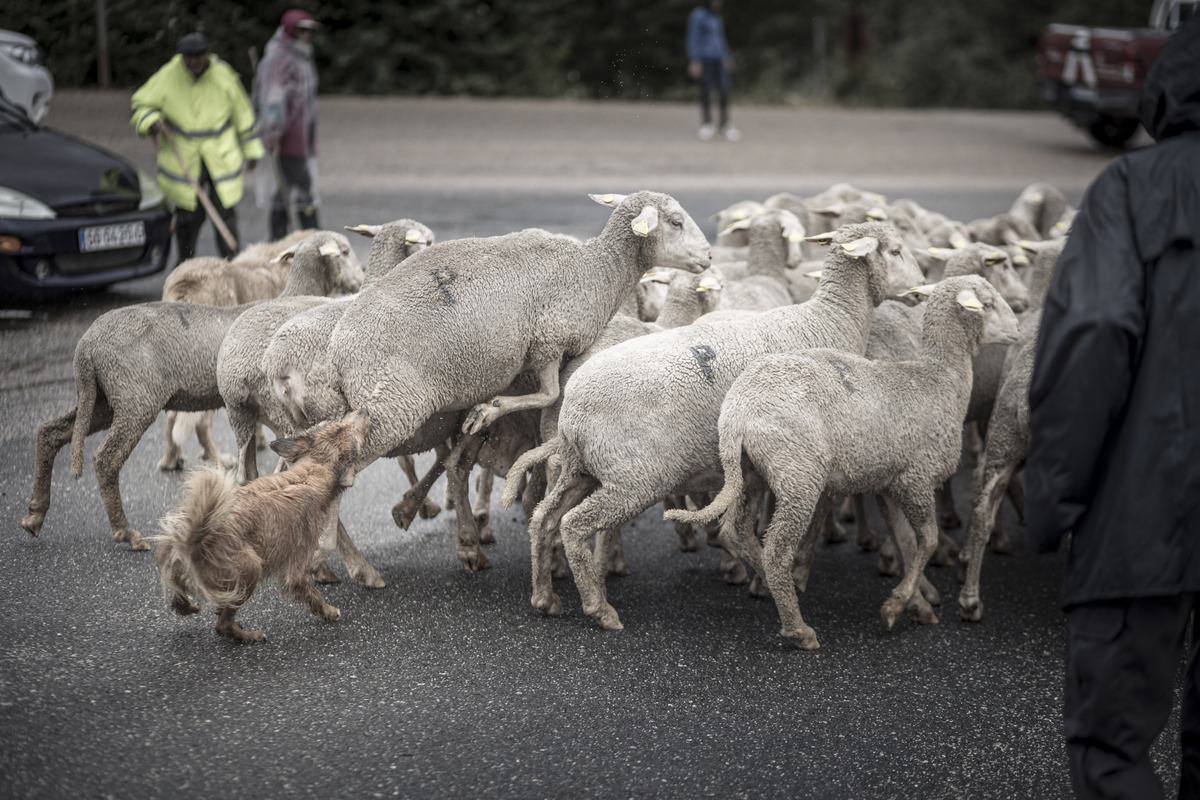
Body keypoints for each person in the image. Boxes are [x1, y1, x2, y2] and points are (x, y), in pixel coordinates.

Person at [1026, 13, 1200, 800]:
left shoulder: (1133, 189)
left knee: (1112, 749)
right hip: (1154, 504)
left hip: (1146, 511)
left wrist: (1053, 501)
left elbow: (1092, 334)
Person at [131, 33, 263, 263]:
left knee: (225, 215)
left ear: (207, 55)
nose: (193, 62)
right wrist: (151, 121)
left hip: (220, 156)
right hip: (184, 157)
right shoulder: (168, 76)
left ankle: (233, 266)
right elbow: (142, 104)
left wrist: (252, 151)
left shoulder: (224, 77)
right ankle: (185, 264)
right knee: (187, 219)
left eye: (198, 56)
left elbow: (243, 115)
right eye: (188, 57)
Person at [254, 9, 322, 240]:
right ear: (291, 31)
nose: (307, 35)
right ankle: (313, 237)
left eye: (310, 30)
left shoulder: (300, 56)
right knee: (300, 189)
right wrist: (273, 131)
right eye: (302, 30)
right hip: (287, 137)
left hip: (300, 136)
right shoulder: (281, 59)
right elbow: (274, 98)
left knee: (288, 188)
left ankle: (281, 238)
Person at [686, 0, 738, 141]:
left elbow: (720, 39)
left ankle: (725, 125)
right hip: (705, 60)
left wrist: (726, 55)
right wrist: (695, 60)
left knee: (724, 91)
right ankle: (707, 124)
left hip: (719, 59)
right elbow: (693, 38)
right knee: (706, 92)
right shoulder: (697, 15)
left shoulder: (716, 17)